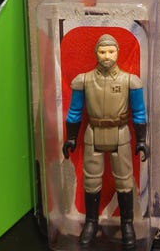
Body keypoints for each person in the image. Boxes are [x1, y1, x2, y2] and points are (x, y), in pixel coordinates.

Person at [62, 33, 148, 249]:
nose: (107, 56)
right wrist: (71, 137)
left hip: (120, 133)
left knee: (124, 180)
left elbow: (139, 112)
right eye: (102, 51)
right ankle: (91, 222)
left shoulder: (130, 81)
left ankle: (127, 224)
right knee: (91, 180)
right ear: (96, 53)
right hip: (93, 133)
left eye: (111, 51)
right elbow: (74, 111)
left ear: (118, 52)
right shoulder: (84, 80)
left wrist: (141, 139)